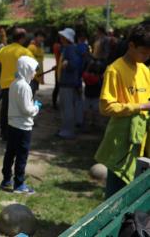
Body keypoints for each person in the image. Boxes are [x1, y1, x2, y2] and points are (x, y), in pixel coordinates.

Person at [95, 25, 150, 198]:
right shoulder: (115, 70)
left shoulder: (144, 70)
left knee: (135, 195)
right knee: (116, 195)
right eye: (144, 52)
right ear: (131, 45)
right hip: (121, 142)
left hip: (142, 141)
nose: (147, 56)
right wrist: (139, 107)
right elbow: (106, 107)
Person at [0, 56, 40, 194]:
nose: (35, 73)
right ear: (27, 69)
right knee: (22, 156)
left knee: (10, 152)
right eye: (33, 70)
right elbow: (27, 110)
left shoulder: (14, 83)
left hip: (12, 124)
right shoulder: (25, 87)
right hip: (23, 127)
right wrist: (36, 107)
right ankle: (19, 184)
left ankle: (6, 179)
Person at [0, 28, 33, 140]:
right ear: (22, 38)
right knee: (17, 111)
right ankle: (14, 133)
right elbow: (33, 69)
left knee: (5, 109)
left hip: (6, 85)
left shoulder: (3, 50)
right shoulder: (26, 52)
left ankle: (3, 132)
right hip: (20, 86)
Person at [56, 28, 82, 139]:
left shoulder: (70, 49)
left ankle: (67, 131)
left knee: (67, 107)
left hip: (68, 83)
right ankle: (65, 129)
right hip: (66, 82)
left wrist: (67, 64)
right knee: (66, 107)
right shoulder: (67, 48)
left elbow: (75, 64)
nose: (61, 39)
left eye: (63, 37)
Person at [27, 30, 46, 97]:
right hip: (30, 77)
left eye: (42, 37)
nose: (41, 39)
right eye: (39, 37)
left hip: (38, 76)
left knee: (33, 94)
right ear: (35, 37)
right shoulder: (31, 47)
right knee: (29, 94)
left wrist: (42, 77)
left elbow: (41, 63)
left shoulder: (41, 49)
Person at [52, 39, 62, 109]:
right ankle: (55, 103)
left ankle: (54, 103)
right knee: (58, 87)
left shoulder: (56, 45)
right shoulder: (58, 46)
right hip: (59, 69)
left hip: (58, 67)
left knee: (57, 87)